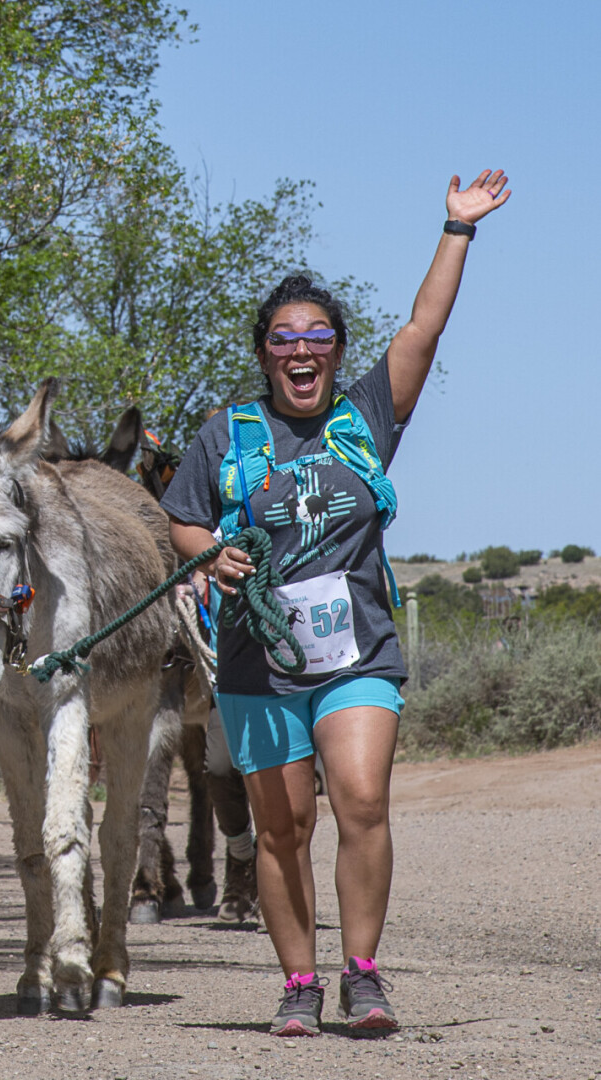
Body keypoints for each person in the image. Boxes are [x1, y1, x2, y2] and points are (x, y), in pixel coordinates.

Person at [159, 171, 510, 1037]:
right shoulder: (228, 434)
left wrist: (456, 229)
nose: (302, 348)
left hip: (357, 654)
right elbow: (182, 520)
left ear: (337, 353)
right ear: (265, 353)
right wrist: (212, 555)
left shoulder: (367, 417)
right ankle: (297, 984)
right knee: (283, 827)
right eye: (286, 338)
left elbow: (424, 329)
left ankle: (362, 974)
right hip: (256, 659)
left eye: (319, 335)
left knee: (359, 799)